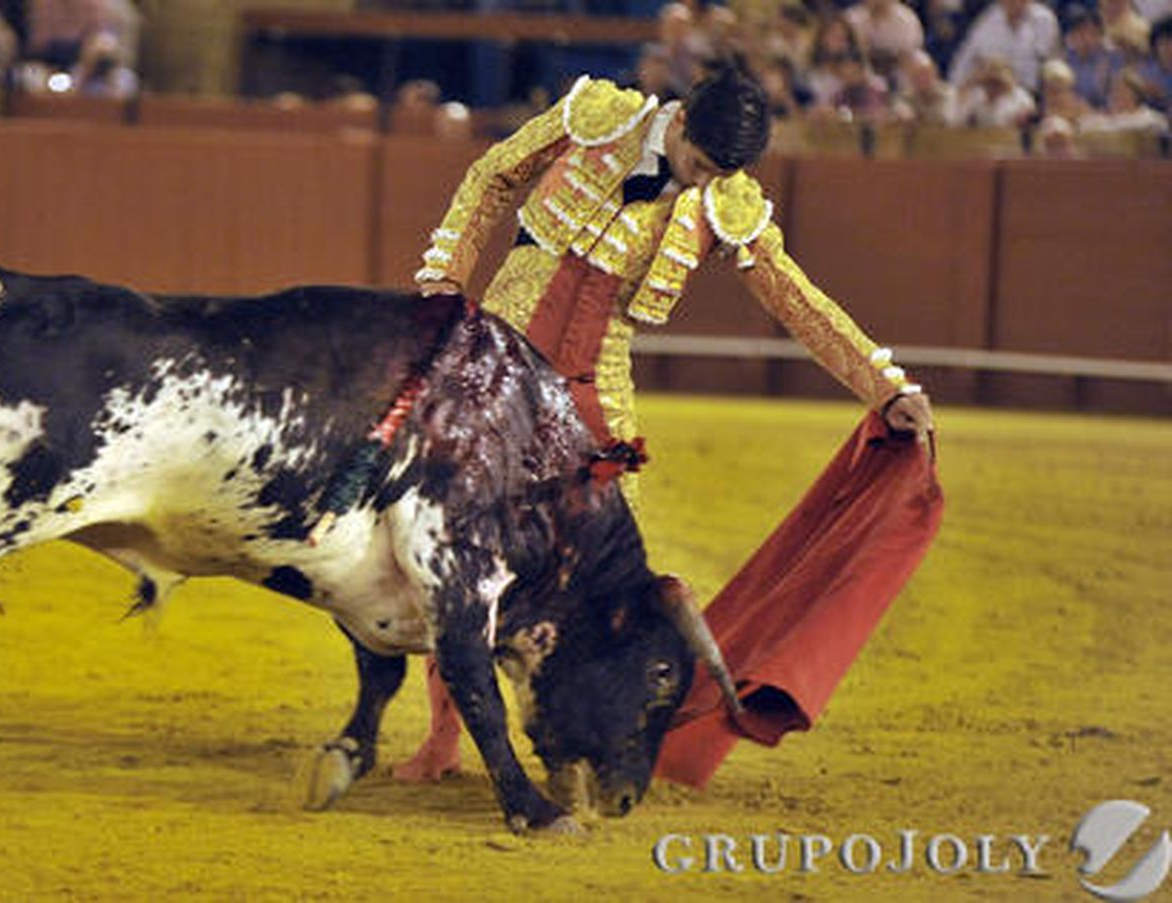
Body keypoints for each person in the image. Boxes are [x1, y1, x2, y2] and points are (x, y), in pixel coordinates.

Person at [397, 66, 934, 782]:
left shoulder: (724, 202)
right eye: (697, 166)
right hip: (499, 357)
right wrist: (444, 272)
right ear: (678, 122)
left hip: (598, 387)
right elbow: (494, 173)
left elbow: (796, 299)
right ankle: (442, 739)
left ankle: (582, 740)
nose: (700, 185)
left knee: (609, 576)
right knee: (458, 544)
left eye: (717, 176)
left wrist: (885, 383)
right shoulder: (596, 115)